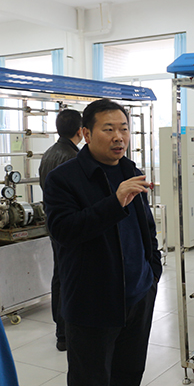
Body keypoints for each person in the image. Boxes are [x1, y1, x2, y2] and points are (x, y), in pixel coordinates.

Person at [43, 98, 162, 386]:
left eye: (124, 128)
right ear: (86, 133)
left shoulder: (131, 171)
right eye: (108, 129)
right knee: (91, 379)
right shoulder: (63, 179)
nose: (118, 137)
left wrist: (152, 273)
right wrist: (115, 202)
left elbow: (146, 227)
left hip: (138, 297)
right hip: (92, 305)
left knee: (129, 375)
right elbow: (63, 231)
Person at [38, 109, 83, 352]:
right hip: (71, 226)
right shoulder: (74, 159)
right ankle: (67, 332)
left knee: (60, 274)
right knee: (72, 276)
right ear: (81, 131)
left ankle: (61, 331)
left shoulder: (48, 154)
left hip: (54, 224)